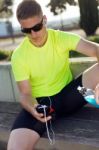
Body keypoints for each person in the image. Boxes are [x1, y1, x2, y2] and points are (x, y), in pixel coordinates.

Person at [7, 0, 99, 150]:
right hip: (43, 106)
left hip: (70, 95)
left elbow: (96, 49)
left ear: (44, 20)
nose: (34, 34)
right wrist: (32, 108)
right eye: (27, 30)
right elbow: (25, 94)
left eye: (37, 27)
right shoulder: (19, 55)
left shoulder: (60, 38)